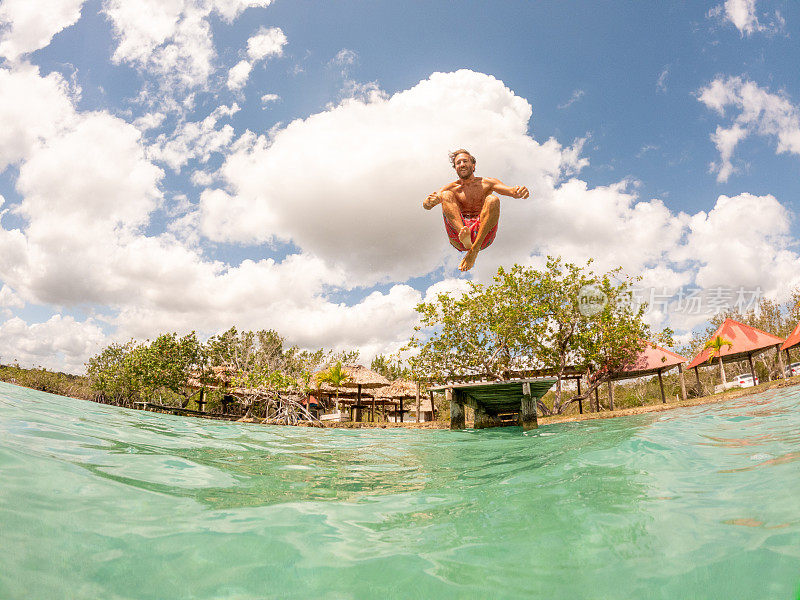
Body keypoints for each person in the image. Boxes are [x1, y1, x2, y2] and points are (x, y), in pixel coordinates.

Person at [423, 148, 530, 271]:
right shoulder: (451, 187)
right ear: (456, 168)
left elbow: (511, 191)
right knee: (446, 195)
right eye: (458, 163)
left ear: (473, 165)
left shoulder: (487, 183)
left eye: (465, 161)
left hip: (483, 235)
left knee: (493, 199)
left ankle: (474, 249)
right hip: (459, 236)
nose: (462, 164)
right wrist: (428, 202)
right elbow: (427, 204)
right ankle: (464, 234)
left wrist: (519, 192)